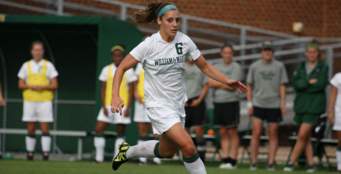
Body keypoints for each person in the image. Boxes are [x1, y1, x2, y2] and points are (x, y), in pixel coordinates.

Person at [110, 2, 247, 174]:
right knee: (188, 146)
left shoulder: (184, 41)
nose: (175, 24)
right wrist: (115, 95)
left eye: (177, 20)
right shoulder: (149, 45)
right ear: (159, 21)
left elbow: (204, 67)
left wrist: (227, 80)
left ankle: (127, 152)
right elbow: (121, 67)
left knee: (167, 151)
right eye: (170, 20)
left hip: (177, 106)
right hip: (158, 105)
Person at [284, 42, 329, 172]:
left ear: (318, 54)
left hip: (314, 106)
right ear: (305, 54)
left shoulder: (323, 67)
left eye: (314, 52)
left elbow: (320, 85)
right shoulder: (301, 67)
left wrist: (305, 84)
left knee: (302, 134)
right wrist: (309, 82)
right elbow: (296, 84)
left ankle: (291, 162)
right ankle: (310, 164)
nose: (311, 54)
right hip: (301, 105)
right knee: (306, 136)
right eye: (309, 52)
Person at [247, 41, 288, 170]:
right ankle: (253, 162)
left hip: (274, 104)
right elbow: (249, 85)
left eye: (269, 50)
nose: (267, 53)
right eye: (265, 50)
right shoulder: (254, 66)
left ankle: (271, 162)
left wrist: (282, 103)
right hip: (258, 103)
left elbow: (282, 85)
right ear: (261, 52)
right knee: (256, 132)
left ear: (272, 52)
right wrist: (249, 103)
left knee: (273, 133)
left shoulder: (279, 66)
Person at [93, 45, 137, 163]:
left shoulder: (129, 70)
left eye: (120, 55)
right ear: (112, 57)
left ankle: (117, 158)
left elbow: (132, 89)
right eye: (115, 55)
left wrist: (128, 107)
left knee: (120, 132)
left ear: (123, 57)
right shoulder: (106, 69)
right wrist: (103, 106)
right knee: (98, 129)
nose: (117, 58)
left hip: (122, 106)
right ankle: (98, 158)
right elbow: (103, 89)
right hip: (108, 105)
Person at [18, 41, 58, 160]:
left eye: (40, 50)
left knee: (45, 127)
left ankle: (45, 154)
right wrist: (31, 86)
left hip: (44, 101)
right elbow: (20, 84)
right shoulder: (26, 65)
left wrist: (43, 87)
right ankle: (30, 153)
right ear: (31, 51)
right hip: (29, 101)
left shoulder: (49, 65)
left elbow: (55, 84)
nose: (37, 52)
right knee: (30, 127)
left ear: (43, 51)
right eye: (35, 50)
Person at [208, 43, 243, 169]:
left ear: (232, 54)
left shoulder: (236, 67)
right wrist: (226, 83)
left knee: (232, 131)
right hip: (218, 102)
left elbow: (234, 86)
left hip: (232, 102)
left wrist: (220, 82)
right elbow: (210, 82)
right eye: (225, 52)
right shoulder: (216, 66)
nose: (227, 55)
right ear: (221, 53)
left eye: (230, 53)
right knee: (222, 131)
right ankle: (225, 159)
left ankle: (233, 160)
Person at [133, 63, 161, 164]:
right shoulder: (139, 65)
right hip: (141, 103)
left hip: (155, 102)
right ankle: (142, 158)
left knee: (156, 131)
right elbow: (135, 82)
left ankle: (157, 157)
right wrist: (136, 95)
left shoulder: (159, 62)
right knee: (142, 132)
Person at [184, 59, 208, 162]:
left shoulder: (200, 67)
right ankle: (188, 156)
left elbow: (206, 85)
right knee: (185, 131)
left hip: (197, 101)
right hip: (183, 102)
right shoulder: (180, 67)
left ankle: (201, 157)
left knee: (199, 130)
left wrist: (199, 100)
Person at [328, 72, 341, 172]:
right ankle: (340, 164)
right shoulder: (338, 77)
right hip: (339, 112)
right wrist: (330, 111)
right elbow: (333, 95)